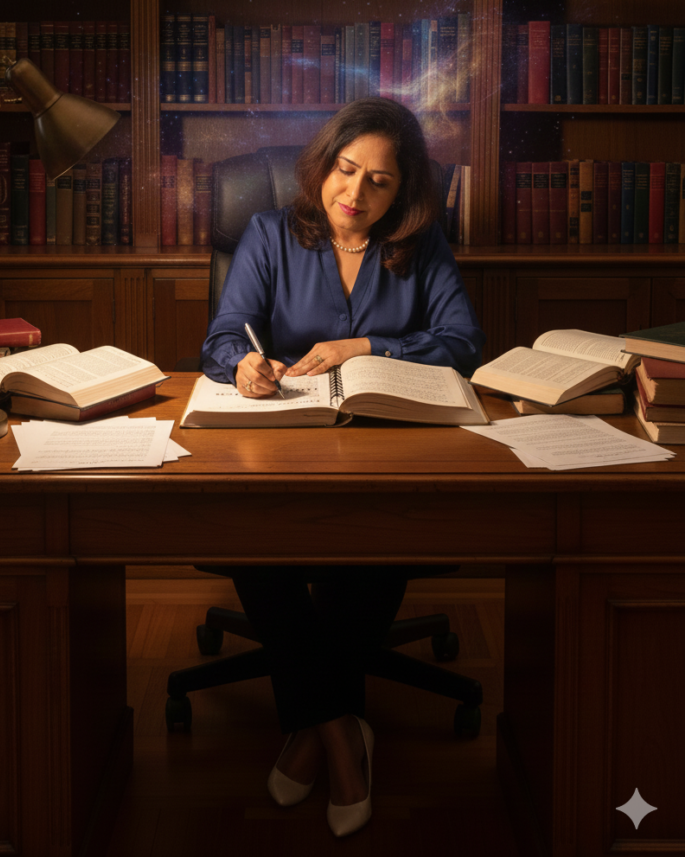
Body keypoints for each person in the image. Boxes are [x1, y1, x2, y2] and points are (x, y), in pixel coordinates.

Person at [200, 97, 485, 837]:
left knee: (383, 534)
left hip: (391, 448)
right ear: (322, 166)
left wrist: (366, 348)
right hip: (280, 448)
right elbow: (225, 333)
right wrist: (245, 367)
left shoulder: (420, 246)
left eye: (379, 181)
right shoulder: (267, 233)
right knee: (250, 541)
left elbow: (460, 342)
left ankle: (309, 728)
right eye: (345, 170)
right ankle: (337, 731)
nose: (355, 194)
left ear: (404, 190)